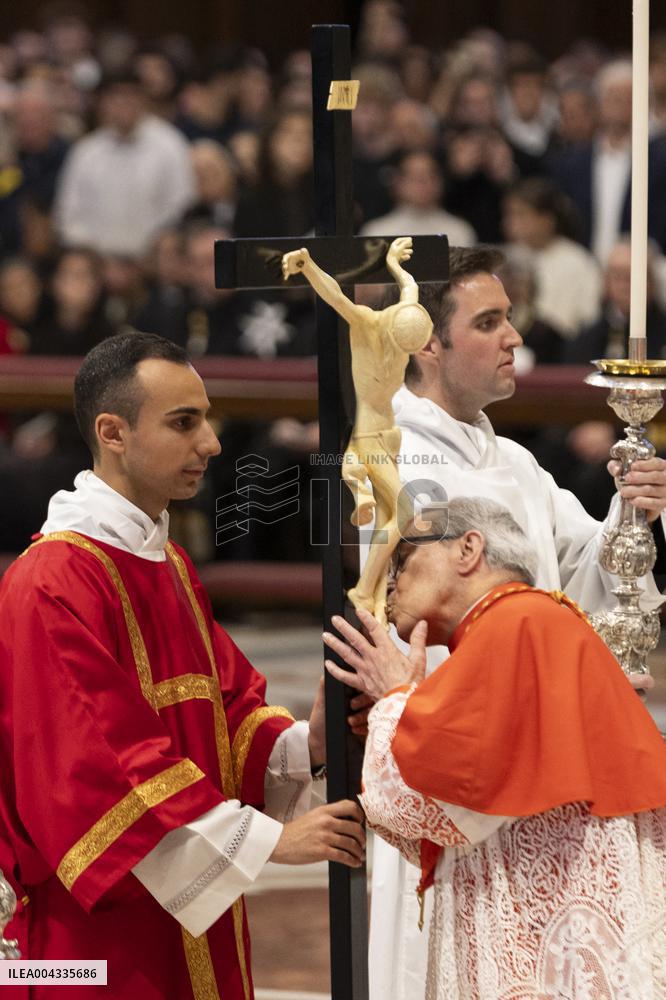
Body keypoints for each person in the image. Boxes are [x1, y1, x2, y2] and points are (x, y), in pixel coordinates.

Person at [0, 332, 365, 999]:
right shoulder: (51, 583)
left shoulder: (164, 561)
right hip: (98, 941)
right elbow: (100, 767)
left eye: (207, 419)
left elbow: (224, 711)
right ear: (113, 432)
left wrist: (303, 744)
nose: (212, 443)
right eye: (183, 422)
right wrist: (269, 843)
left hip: (193, 917)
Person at [371, 243, 666, 1000]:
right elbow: (405, 612)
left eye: (510, 317)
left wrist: (634, 512)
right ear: (426, 343)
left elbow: (582, 578)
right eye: (488, 322)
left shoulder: (513, 461)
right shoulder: (386, 458)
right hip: (450, 754)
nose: (514, 337)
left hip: (533, 765)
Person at [324, 496, 666, 1000]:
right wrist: (405, 710)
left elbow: (439, 802)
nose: (392, 583)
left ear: (468, 549)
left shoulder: (515, 622)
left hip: (555, 924)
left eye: (405, 559)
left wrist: (396, 701)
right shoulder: (517, 625)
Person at [281, 236, 433, 622]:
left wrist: (395, 262)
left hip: (390, 434)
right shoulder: (368, 323)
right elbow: (335, 296)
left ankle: (377, 599)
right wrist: (308, 265)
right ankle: (364, 589)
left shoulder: (407, 314)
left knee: (387, 519)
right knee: (406, 511)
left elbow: (409, 285)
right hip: (368, 434)